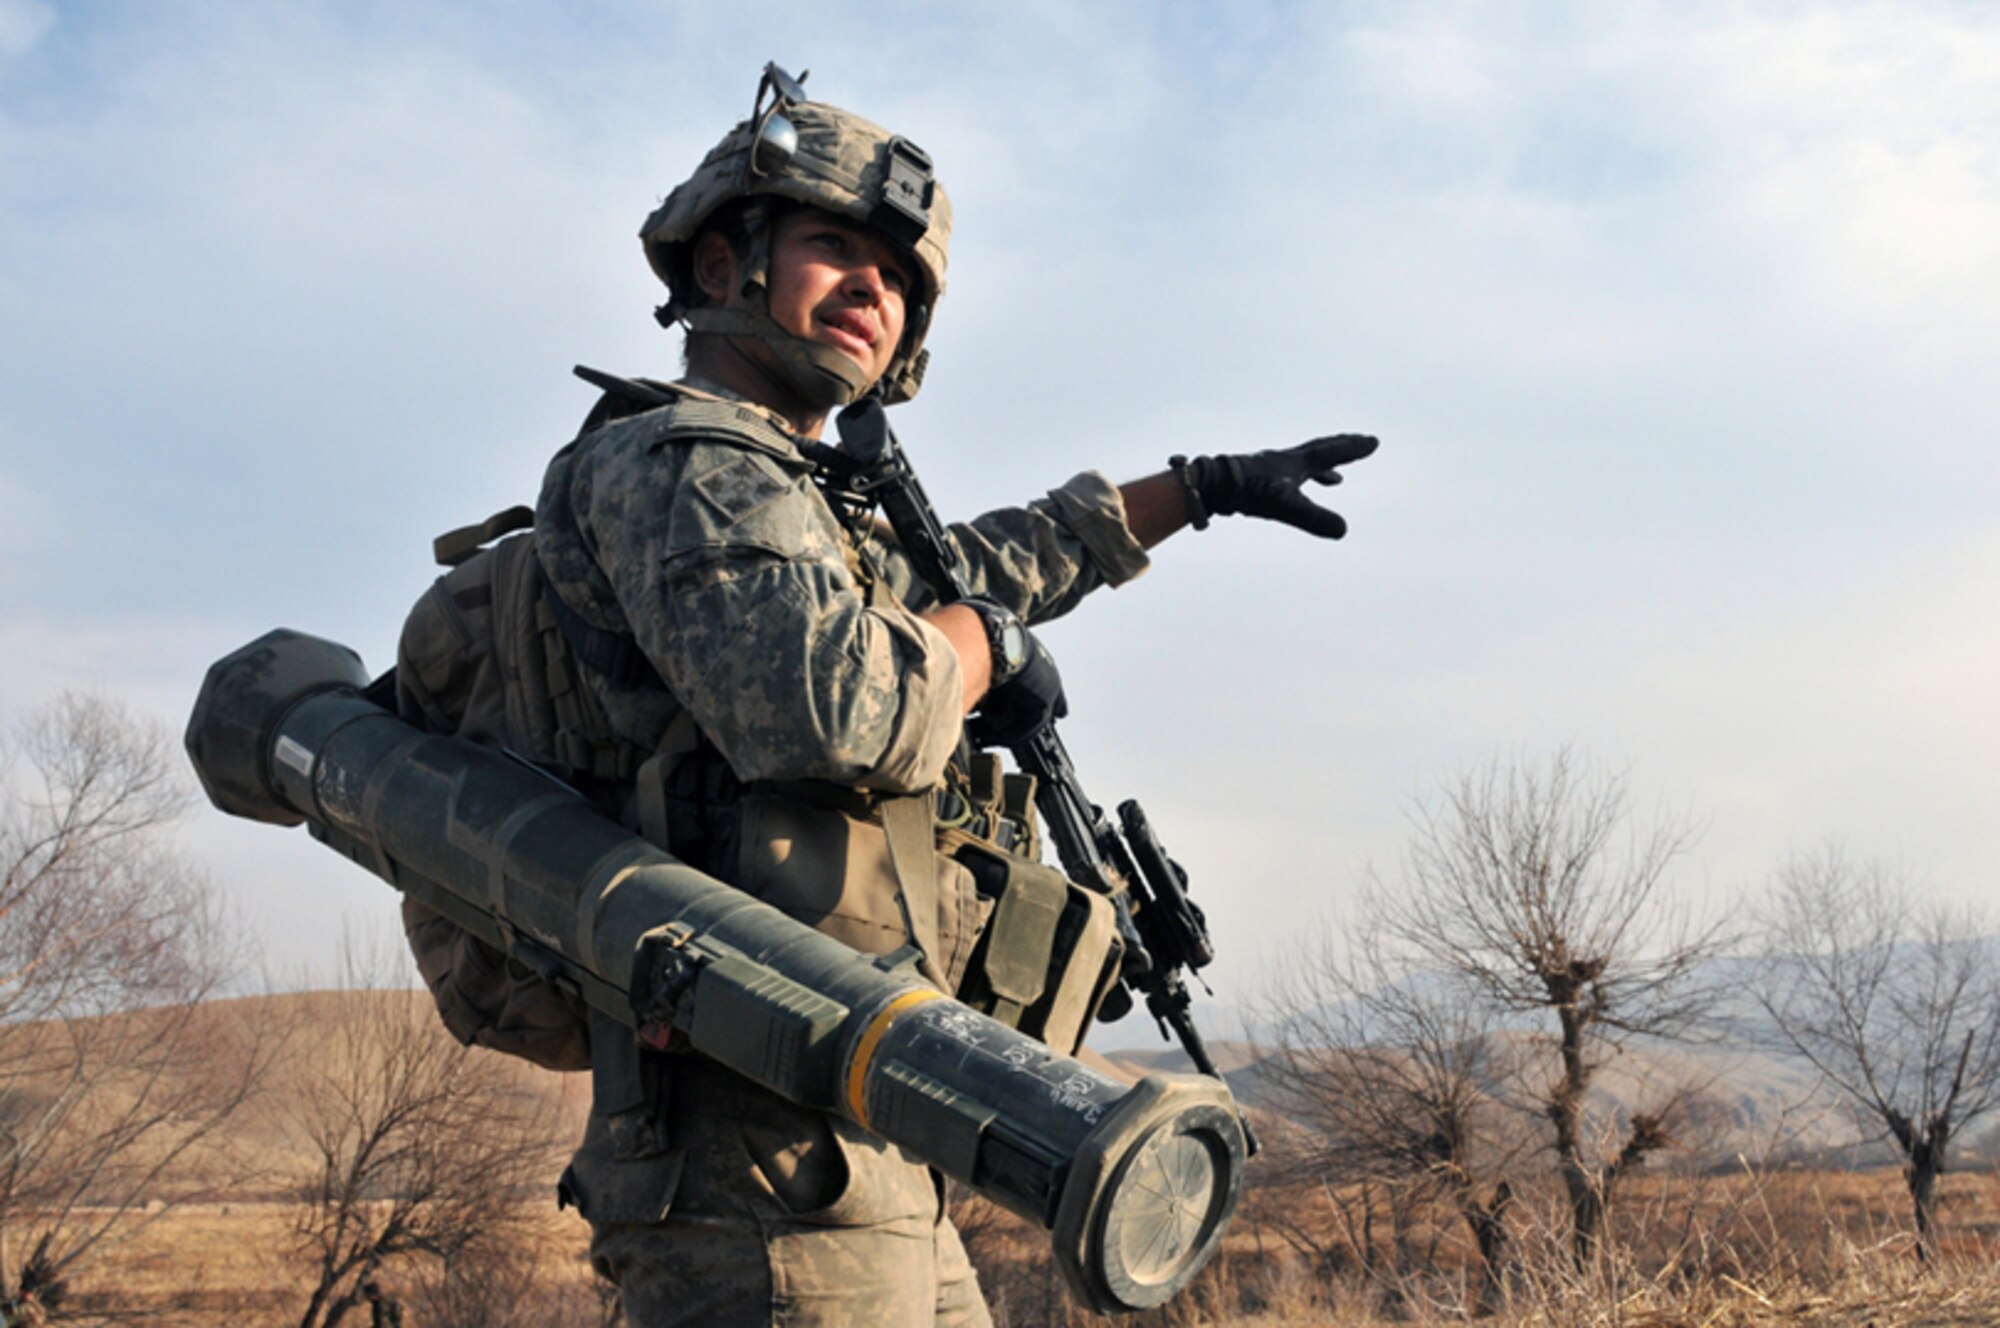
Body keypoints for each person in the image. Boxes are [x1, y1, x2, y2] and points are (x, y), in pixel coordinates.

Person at [396, 64, 1376, 1328]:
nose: (874, 288)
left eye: (900, 279)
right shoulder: (684, 460)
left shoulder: (797, 503)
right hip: (743, 1154)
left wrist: (1196, 486)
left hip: (843, 1109)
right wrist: (980, 646)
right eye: (831, 246)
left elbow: (989, 568)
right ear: (717, 267)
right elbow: (835, 710)